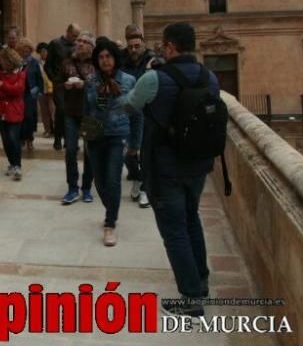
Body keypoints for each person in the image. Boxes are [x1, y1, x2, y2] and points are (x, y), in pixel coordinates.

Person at [124, 22, 220, 317]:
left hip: (165, 165)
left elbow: (131, 105)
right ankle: (200, 280)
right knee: (192, 219)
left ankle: (191, 298)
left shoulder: (155, 77)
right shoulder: (210, 77)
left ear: (169, 47)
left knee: (174, 230)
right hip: (199, 163)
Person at [84, 38, 141, 246]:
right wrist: (86, 136)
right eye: (101, 57)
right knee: (99, 182)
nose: (105, 60)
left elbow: (136, 114)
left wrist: (136, 142)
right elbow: (87, 110)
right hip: (96, 135)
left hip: (119, 134)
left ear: (115, 59)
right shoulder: (91, 81)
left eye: (108, 56)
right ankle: (112, 209)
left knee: (113, 179)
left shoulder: (128, 81)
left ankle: (110, 223)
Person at [58, 31, 95, 205]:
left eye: (85, 41)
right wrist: (64, 85)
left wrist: (85, 85)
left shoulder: (96, 64)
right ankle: (72, 188)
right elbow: (58, 83)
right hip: (71, 112)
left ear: (91, 46)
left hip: (90, 113)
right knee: (71, 150)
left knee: (90, 152)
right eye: (78, 40)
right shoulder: (67, 63)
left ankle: (87, 187)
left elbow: (101, 85)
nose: (80, 43)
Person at [121, 25, 156, 208]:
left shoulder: (152, 60)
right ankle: (136, 177)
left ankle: (144, 188)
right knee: (128, 152)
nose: (133, 50)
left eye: (137, 46)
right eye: (130, 47)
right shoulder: (122, 59)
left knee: (146, 153)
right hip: (128, 110)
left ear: (143, 45)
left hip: (147, 112)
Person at [45, 23, 81, 151]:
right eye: (73, 35)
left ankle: (71, 139)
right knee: (61, 110)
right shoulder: (55, 44)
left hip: (74, 83)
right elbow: (47, 65)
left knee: (73, 111)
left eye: (77, 36)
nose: (75, 38)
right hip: (60, 84)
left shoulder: (77, 46)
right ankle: (57, 138)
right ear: (67, 32)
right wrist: (54, 79)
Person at [0, 47, 26, 180]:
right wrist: (5, 88)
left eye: (3, 60)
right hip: (1, 111)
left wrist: (3, 86)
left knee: (14, 139)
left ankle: (17, 164)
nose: (1, 63)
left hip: (15, 111)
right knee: (6, 140)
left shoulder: (21, 74)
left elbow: (18, 90)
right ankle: (11, 163)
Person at [16, 39, 43, 153]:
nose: (25, 53)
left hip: (30, 93)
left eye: (27, 51)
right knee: (20, 117)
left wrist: (39, 90)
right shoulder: (17, 62)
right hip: (18, 92)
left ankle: (30, 139)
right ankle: (21, 138)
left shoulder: (34, 62)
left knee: (29, 117)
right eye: (23, 51)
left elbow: (39, 78)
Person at [36, 42, 54, 137]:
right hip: (42, 89)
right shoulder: (37, 63)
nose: (44, 53)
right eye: (42, 51)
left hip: (52, 90)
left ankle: (55, 130)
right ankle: (47, 129)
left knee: (53, 111)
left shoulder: (52, 62)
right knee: (44, 112)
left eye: (45, 51)